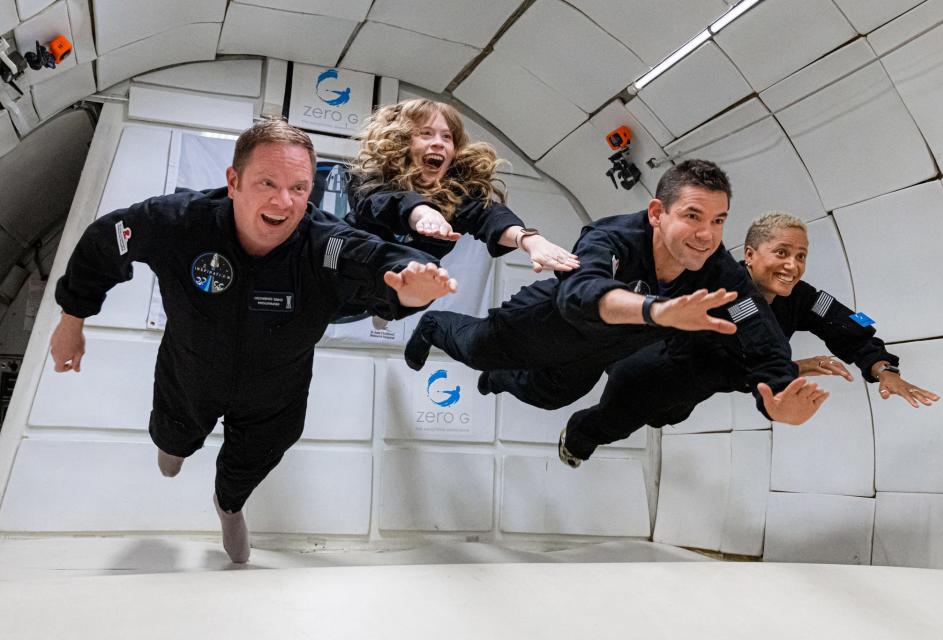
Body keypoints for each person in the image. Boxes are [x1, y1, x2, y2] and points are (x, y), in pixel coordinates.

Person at [49, 118, 458, 563]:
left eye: (300, 188)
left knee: (247, 466)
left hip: (275, 393)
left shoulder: (323, 244)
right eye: (268, 182)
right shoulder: (180, 223)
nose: (284, 202)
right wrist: (73, 319)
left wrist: (410, 292)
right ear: (233, 181)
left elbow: (383, 261)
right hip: (189, 374)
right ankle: (174, 447)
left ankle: (229, 506)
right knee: (172, 440)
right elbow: (102, 245)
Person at [403, 160, 827, 446]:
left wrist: (777, 394)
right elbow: (578, 293)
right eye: (693, 216)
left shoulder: (719, 270)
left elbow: (759, 330)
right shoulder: (612, 236)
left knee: (550, 396)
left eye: (718, 221)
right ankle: (434, 325)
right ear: (658, 212)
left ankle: (498, 380)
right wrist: (653, 310)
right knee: (478, 350)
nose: (706, 234)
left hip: (600, 351)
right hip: (543, 323)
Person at [557, 210, 938, 467]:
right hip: (648, 372)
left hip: (693, 391)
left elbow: (846, 324)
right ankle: (574, 438)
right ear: (751, 255)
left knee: (667, 416)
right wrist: (790, 368)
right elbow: (733, 357)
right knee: (610, 424)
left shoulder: (801, 297)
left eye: (801, 256)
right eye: (782, 252)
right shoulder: (716, 286)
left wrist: (883, 368)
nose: (793, 265)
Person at [347, 98, 579, 273]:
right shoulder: (372, 176)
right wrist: (423, 212)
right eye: (426, 134)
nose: (438, 143)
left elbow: (491, 216)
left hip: (396, 290)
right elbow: (378, 201)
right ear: (401, 141)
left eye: (447, 137)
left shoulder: (458, 194)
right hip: (345, 267)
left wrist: (530, 241)